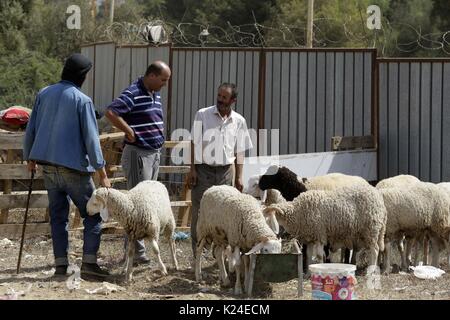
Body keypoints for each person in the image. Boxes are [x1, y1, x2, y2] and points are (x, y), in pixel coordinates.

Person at [23, 53, 111, 278]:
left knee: (59, 216)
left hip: (48, 168)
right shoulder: (82, 100)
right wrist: (102, 171)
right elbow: (92, 139)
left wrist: (29, 157)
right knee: (94, 213)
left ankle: (61, 266)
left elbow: (31, 127)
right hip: (74, 170)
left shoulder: (44, 93)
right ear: (82, 75)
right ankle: (89, 264)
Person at [104, 61, 171, 264]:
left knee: (148, 202)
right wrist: (129, 131)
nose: (164, 84)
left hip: (153, 152)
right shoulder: (134, 91)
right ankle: (134, 251)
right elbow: (111, 111)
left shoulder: (154, 92)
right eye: (163, 80)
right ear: (151, 76)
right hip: (138, 153)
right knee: (137, 204)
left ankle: (141, 250)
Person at [187, 82, 253, 258]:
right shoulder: (203, 114)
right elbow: (193, 142)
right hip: (203, 171)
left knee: (225, 212)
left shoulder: (239, 121)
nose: (220, 100)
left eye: (224, 97)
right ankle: (198, 254)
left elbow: (240, 150)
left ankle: (221, 253)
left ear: (233, 100)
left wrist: (239, 176)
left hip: (225, 172)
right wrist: (192, 169)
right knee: (199, 210)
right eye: (219, 96)